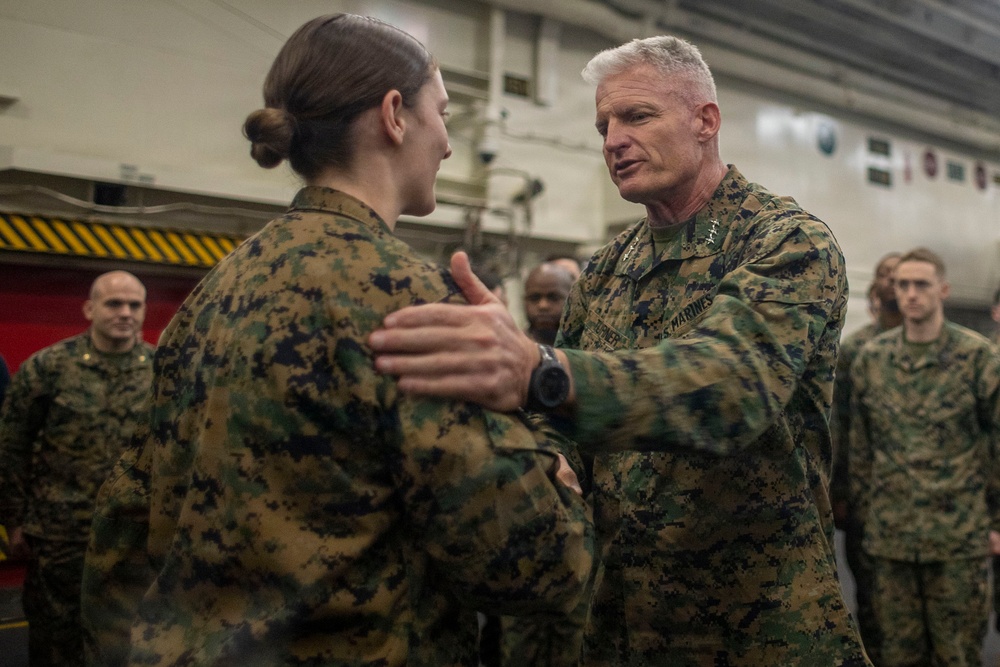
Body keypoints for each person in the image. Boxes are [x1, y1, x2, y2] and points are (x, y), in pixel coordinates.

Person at [80, 14, 592, 667]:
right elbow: (541, 564)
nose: (449, 144)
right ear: (394, 115)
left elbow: (126, 518)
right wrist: (531, 412)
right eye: (443, 112)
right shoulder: (414, 304)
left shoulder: (212, 295)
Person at [370, 35, 868, 665]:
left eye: (637, 116)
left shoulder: (785, 241)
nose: (613, 141)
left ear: (705, 121)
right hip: (621, 617)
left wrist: (542, 372)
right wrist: (547, 458)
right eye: (604, 125)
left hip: (758, 622)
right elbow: (559, 433)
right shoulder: (606, 269)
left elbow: (730, 388)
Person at [850, 247, 1000, 667]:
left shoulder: (978, 359)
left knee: (958, 654)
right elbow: (861, 448)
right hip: (890, 538)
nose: (911, 294)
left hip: (958, 538)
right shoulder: (871, 360)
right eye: (903, 285)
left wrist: (996, 521)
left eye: (921, 284)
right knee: (897, 655)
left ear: (943, 290)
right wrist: (864, 519)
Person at [0, 270, 152, 667]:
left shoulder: (162, 372)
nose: (125, 312)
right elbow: (12, 445)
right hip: (60, 533)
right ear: (89, 308)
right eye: (113, 303)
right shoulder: (47, 368)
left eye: (134, 304)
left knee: (128, 638)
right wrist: (14, 519)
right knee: (56, 637)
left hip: (134, 533)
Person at [829, 251, 901, 662]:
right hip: (868, 498)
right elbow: (840, 424)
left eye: (903, 276)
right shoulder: (857, 350)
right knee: (874, 608)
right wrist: (839, 491)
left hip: (927, 500)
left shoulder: (943, 345)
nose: (896, 285)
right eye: (888, 276)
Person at [523, 261, 575, 346]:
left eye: (554, 298)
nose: (543, 306)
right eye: (534, 298)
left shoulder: (590, 348)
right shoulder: (511, 348)